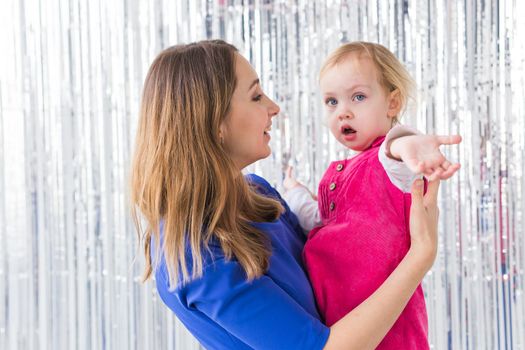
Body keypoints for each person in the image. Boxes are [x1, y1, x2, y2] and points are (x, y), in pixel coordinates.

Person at [130, 39, 455, 350]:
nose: (274, 107)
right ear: (216, 123)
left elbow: (331, 250)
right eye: (256, 96)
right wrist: (420, 255)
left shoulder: (259, 196)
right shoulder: (195, 254)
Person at [282, 41, 461, 349]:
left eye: (359, 97)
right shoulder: (338, 173)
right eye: (331, 102)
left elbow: (396, 147)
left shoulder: (391, 164)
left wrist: (410, 144)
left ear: (392, 104)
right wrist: (296, 194)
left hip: (390, 333)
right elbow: (319, 221)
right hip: (342, 327)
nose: (343, 112)